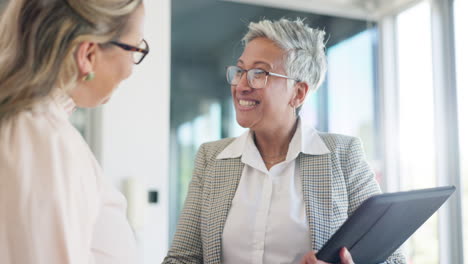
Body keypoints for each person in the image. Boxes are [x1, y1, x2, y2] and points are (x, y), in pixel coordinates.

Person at [163, 18, 406, 264]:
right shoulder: (211, 158)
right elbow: (181, 259)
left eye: (259, 73)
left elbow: (393, 259)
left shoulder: (343, 156)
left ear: (298, 93)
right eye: (240, 71)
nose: (241, 85)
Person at [0, 0, 149, 263]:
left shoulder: (35, 126)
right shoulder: (43, 139)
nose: (130, 68)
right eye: (134, 48)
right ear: (88, 54)